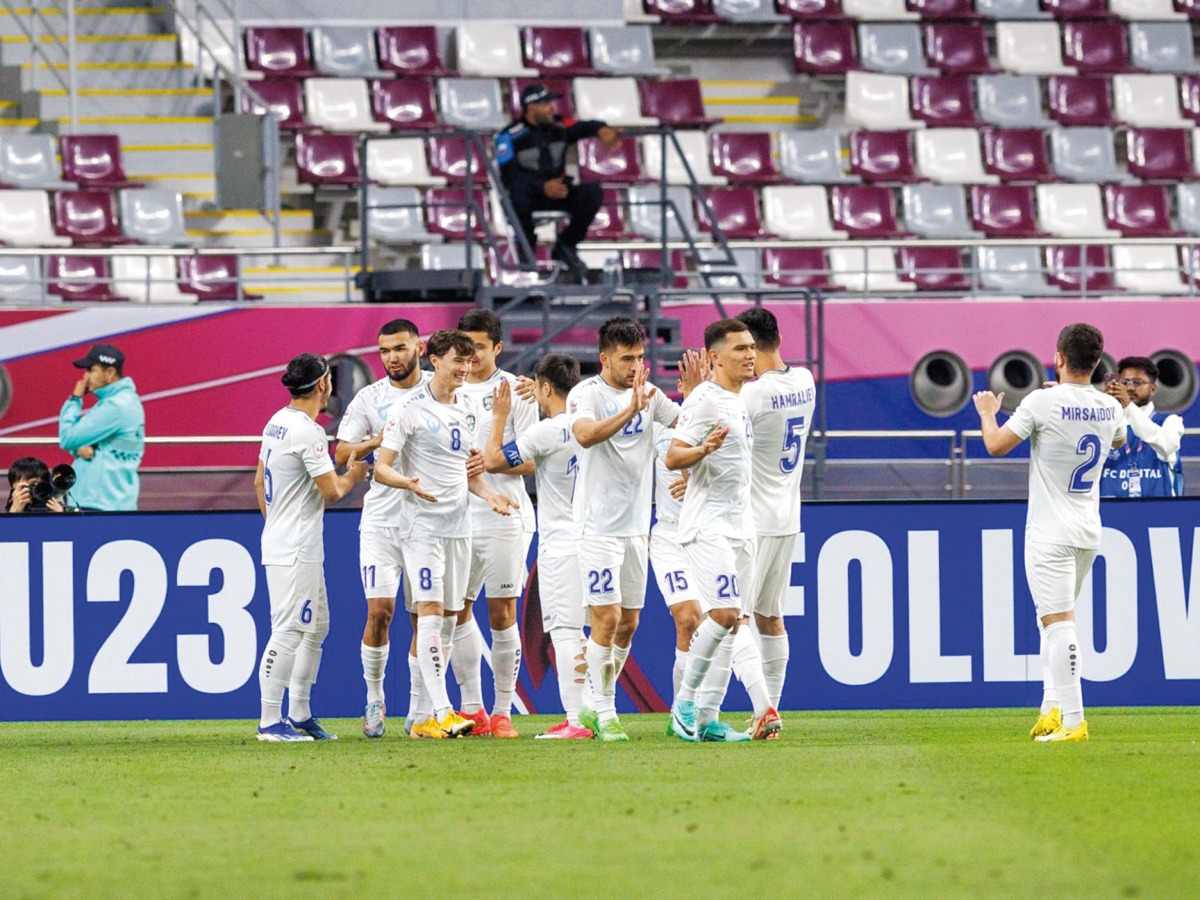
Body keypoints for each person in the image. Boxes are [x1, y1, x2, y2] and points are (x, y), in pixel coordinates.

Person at [973, 323, 1126, 743]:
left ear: (1058, 358)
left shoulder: (1042, 401)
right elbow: (1116, 441)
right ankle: (1052, 708)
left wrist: (988, 412)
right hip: (1087, 531)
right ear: (1096, 363)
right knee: (1054, 621)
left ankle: (1074, 722)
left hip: (1050, 533)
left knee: (1058, 624)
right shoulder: (1109, 407)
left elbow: (995, 445)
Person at [373, 329, 519, 740]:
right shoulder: (408, 408)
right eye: (458, 360)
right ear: (434, 360)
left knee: (451, 621)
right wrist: (407, 484)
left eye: (469, 362)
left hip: (460, 530)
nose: (464, 369)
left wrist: (491, 496)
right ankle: (441, 711)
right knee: (431, 616)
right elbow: (381, 465)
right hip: (421, 530)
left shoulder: (469, 408)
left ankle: (421, 720)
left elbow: (467, 475)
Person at [567, 316, 699, 742]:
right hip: (596, 527)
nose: (634, 367)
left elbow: (687, 427)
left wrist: (696, 398)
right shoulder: (586, 394)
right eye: (626, 359)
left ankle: (591, 702)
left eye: (640, 358)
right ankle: (605, 713)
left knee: (629, 622)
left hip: (634, 528)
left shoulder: (650, 395)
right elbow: (585, 436)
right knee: (604, 618)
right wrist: (630, 411)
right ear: (604, 358)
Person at [667, 319, 777, 744]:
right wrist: (701, 451)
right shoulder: (704, 401)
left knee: (735, 625)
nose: (749, 355)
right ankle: (683, 704)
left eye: (751, 347)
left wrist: (703, 465)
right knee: (725, 614)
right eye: (739, 349)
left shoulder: (739, 401)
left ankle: (708, 719)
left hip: (741, 527)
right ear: (714, 357)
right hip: (707, 526)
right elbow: (674, 456)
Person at [254, 353, 369, 742]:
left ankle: (300, 713)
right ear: (323, 385)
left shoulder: (276, 423)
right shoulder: (308, 432)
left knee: (316, 627)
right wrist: (354, 474)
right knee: (288, 630)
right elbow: (333, 490)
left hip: (287, 540)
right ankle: (270, 720)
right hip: (297, 547)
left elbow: (258, 482)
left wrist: (277, 526)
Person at [484, 353, 592, 739]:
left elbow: (494, 461)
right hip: (595, 539)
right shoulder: (592, 427)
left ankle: (578, 721)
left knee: (564, 631)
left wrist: (500, 416)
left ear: (545, 387)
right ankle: (595, 713)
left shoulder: (547, 431)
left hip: (560, 543)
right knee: (594, 632)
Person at [333, 319, 430, 739]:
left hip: (429, 519)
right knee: (380, 611)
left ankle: (418, 705)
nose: (392, 357)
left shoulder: (440, 392)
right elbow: (340, 453)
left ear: (420, 348)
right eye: (385, 351)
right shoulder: (370, 398)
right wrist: (375, 443)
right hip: (381, 520)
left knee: (423, 616)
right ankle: (374, 698)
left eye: (400, 348)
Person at [451, 309, 539, 738]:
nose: (470, 357)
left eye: (480, 348)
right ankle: (474, 709)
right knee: (456, 610)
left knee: (503, 612)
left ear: (498, 348)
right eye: (464, 348)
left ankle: (503, 710)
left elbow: (533, 459)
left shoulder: (518, 393)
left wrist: (495, 460)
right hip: (456, 517)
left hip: (505, 515)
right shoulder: (444, 389)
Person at [733, 307, 817, 716]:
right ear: (779, 339)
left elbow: (719, 428)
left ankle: (763, 708)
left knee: (736, 618)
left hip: (754, 520)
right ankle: (772, 709)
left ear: (749, 348)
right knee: (771, 616)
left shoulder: (753, 394)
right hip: (788, 518)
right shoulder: (806, 380)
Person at [495, 83, 621, 277]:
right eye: (545, 104)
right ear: (531, 108)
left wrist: (602, 129)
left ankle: (566, 245)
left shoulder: (559, 127)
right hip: (530, 194)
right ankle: (527, 254)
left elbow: (584, 126)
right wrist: (542, 186)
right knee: (518, 194)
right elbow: (509, 175)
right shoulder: (509, 136)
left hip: (558, 192)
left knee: (592, 192)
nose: (551, 108)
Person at [650, 424, 703, 710]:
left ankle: (703, 710)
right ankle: (681, 709)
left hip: (708, 537)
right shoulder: (659, 431)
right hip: (670, 538)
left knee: (716, 625)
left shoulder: (724, 427)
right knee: (688, 618)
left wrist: (699, 485)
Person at [58, 343, 144, 511]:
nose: (85, 377)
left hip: (100, 504)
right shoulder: (125, 401)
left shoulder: (115, 406)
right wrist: (79, 448)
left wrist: (75, 399)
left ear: (110, 372)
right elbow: (85, 444)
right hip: (110, 502)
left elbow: (68, 438)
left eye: (91, 370)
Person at [1100, 356, 1186, 499]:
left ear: (1152, 389)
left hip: (1160, 515)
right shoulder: (1106, 424)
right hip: (1109, 515)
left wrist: (1127, 406)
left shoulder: (1170, 421)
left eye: (1137, 382)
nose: (1130, 388)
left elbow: (1166, 445)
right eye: (1124, 382)